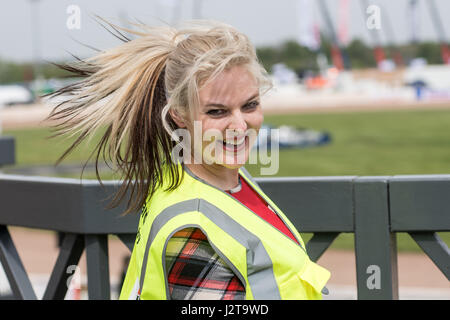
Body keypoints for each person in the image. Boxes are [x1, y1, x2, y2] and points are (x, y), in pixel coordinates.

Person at [45, 19, 330, 300]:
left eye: (250, 105)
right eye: (217, 112)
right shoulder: (191, 229)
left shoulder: (216, 179)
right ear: (178, 115)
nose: (240, 127)